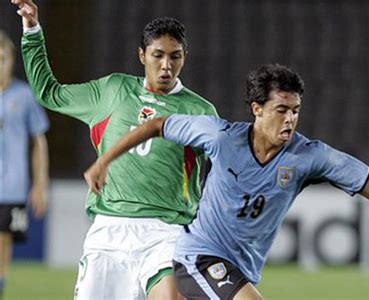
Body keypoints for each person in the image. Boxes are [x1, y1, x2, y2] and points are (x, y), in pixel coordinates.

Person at [84, 63, 369, 299]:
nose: (290, 120)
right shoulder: (221, 136)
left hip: (242, 267)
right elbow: (156, 124)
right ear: (257, 109)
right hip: (197, 258)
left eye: (296, 111)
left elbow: (368, 185)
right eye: (281, 110)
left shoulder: (308, 155)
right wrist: (104, 161)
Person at [12, 0, 218, 299]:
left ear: (185, 57)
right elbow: (49, 93)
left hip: (168, 231)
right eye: (158, 55)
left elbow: (224, 168)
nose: (166, 65)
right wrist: (32, 30)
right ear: (141, 55)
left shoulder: (199, 110)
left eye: (175, 56)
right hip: (110, 228)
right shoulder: (112, 90)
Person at [0, 29, 49, 299]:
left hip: (12, 186)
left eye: (3, 58)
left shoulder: (24, 96)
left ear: (11, 60)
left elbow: (39, 141)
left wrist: (40, 185)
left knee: (3, 243)